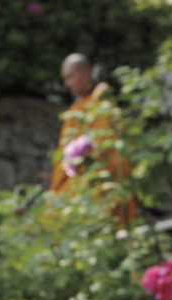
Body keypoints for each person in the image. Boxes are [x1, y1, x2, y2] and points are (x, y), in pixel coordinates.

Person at [49, 53, 136, 221]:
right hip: (75, 181)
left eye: (70, 77)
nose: (68, 84)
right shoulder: (75, 109)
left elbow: (106, 147)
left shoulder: (102, 103)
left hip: (99, 181)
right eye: (65, 79)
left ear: (87, 72)